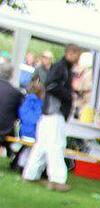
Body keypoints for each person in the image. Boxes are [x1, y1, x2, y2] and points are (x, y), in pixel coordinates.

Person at [22, 43, 79, 191]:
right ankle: (57, 179)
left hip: (49, 112)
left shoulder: (63, 68)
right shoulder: (61, 68)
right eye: (76, 54)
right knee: (56, 145)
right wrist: (69, 96)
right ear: (70, 53)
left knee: (42, 145)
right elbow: (51, 85)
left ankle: (30, 174)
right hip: (55, 111)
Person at [0, 62, 23, 160]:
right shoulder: (16, 93)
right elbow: (19, 114)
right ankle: (11, 154)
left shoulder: (16, 93)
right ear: (11, 75)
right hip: (5, 130)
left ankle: (11, 153)